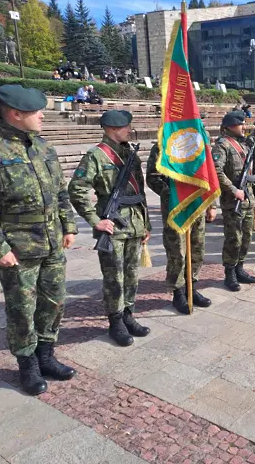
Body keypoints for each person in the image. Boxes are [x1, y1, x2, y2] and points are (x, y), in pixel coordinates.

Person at [0, 84, 78, 395]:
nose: (42, 115)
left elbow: (60, 192)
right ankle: (27, 363)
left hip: (52, 243)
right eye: (36, 111)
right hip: (18, 248)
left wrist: (68, 225)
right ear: (16, 114)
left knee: (53, 303)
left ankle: (46, 356)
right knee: (21, 308)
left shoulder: (43, 147)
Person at [68, 110, 152, 347]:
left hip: (134, 224)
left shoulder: (131, 155)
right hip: (112, 226)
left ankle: (128, 316)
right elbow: (77, 189)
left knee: (132, 275)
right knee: (114, 277)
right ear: (113, 129)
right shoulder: (96, 155)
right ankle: (115, 322)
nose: (130, 130)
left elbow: (140, 194)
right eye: (126, 127)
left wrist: (146, 224)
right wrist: (94, 220)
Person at [146, 144, 216, 315]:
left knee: (197, 248)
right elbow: (152, 177)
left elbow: (208, 176)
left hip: (197, 206)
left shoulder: (199, 146)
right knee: (177, 251)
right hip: (175, 208)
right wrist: (174, 195)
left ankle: (191, 287)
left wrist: (211, 205)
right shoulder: (163, 146)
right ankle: (178, 292)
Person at [212, 111, 255, 291]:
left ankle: (240, 268)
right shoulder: (222, 146)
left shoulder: (244, 144)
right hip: (233, 201)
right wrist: (233, 190)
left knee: (246, 237)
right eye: (241, 125)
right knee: (234, 239)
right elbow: (217, 171)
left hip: (247, 198)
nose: (244, 127)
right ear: (231, 126)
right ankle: (229, 272)